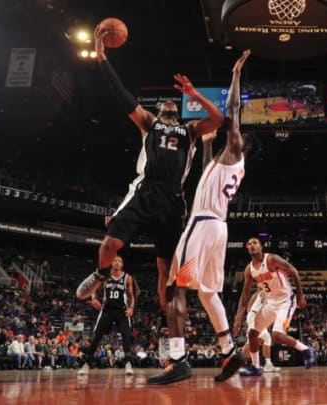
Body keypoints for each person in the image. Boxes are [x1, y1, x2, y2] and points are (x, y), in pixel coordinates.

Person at [75, 25, 225, 312]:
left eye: (172, 102)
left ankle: (170, 326)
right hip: (145, 191)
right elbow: (119, 93)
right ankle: (102, 274)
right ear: (158, 111)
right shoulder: (148, 123)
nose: (168, 103)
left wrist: (194, 94)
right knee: (108, 246)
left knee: (167, 269)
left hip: (171, 199)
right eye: (165, 103)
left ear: (177, 111)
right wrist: (100, 54)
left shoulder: (190, 130)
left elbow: (218, 119)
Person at [147, 50, 251, 385]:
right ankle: (229, 351)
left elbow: (232, 111)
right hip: (218, 229)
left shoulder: (235, 150)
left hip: (203, 225)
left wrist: (235, 74)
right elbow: (207, 161)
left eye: (232, 136)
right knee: (208, 294)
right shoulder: (222, 163)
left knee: (176, 287)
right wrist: (205, 142)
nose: (226, 137)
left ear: (240, 143)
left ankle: (177, 359)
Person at [233, 237, 316, 376]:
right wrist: (238, 317)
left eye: (255, 243)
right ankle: (256, 367)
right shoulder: (249, 270)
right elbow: (244, 296)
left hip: (285, 301)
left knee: (276, 335)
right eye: (249, 244)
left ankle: (306, 350)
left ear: (261, 247)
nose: (252, 245)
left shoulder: (271, 259)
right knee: (252, 334)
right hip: (270, 303)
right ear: (247, 248)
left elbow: (293, 271)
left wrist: (300, 295)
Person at [78, 255, 136, 376]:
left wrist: (131, 308)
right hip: (107, 310)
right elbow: (94, 288)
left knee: (126, 337)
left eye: (119, 261)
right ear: (111, 263)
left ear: (122, 264)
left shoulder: (127, 277)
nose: (116, 263)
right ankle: (86, 364)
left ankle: (128, 364)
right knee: (96, 337)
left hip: (122, 311)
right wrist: (94, 298)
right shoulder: (105, 276)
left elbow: (131, 295)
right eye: (114, 260)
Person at [241, 291, 281, 373]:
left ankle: (267, 364)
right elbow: (249, 308)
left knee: (266, 338)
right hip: (255, 316)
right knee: (256, 340)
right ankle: (239, 364)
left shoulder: (267, 294)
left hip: (257, 316)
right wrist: (252, 316)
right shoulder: (262, 293)